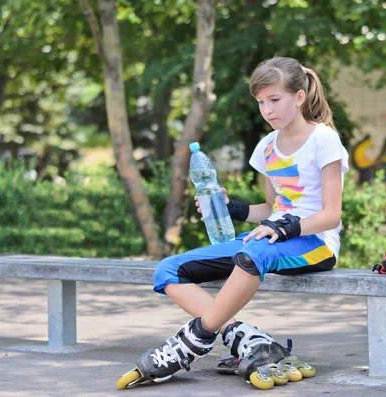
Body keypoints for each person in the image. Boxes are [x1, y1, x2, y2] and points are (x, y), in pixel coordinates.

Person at [118, 56, 349, 389]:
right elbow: (271, 207)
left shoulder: (323, 140)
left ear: (299, 97)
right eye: (260, 102)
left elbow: (331, 214)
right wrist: (232, 208)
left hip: (315, 243)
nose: (267, 110)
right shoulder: (267, 147)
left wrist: (283, 228)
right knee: (168, 269)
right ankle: (247, 338)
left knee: (253, 253)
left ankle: (190, 343)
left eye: (275, 100)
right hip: (268, 239)